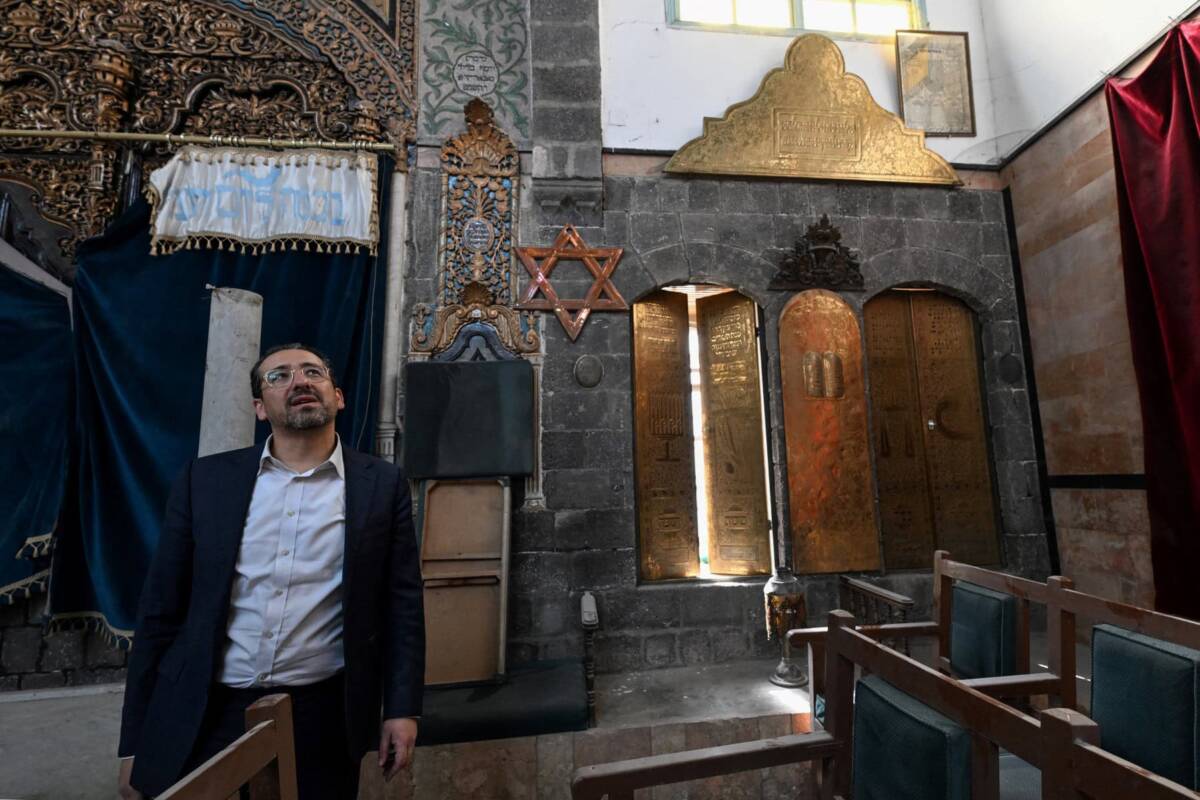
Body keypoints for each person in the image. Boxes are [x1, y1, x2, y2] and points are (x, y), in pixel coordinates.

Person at [117, 343, 425, 799]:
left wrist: (402, 709)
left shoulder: (381, 485)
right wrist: (133, 744)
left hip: (321, 714)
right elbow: (160, 611)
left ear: (337, 396)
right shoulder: (204, 482)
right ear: (261, 408)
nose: (299, 381)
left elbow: (402, 605)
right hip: (207, 708)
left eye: (312, 372)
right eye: (279, 376)